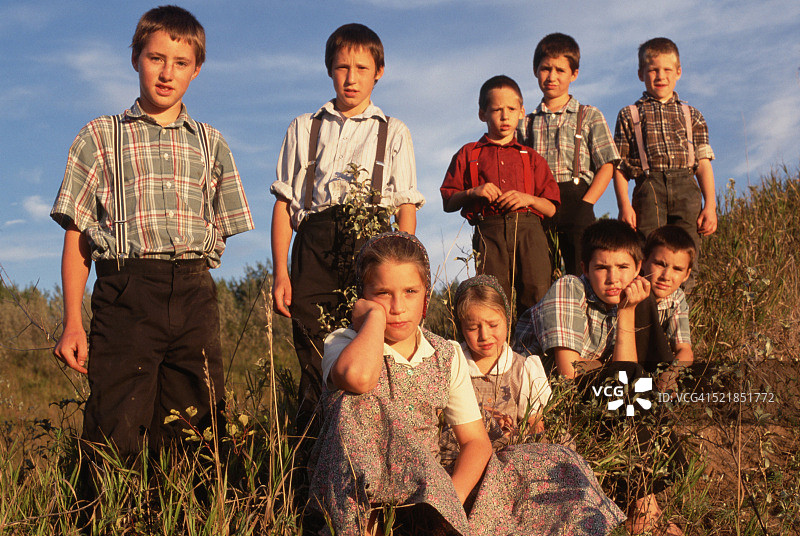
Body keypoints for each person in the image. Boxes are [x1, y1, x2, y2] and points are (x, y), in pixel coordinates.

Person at [310, 232, 625, 536]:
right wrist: (373, 320)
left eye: (409, 292)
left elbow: (476, 441)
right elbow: (359, 378)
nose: (397, 307)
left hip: (429, 488)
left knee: (554, 461)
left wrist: (447, 502)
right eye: (382, 294)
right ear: (363, 297)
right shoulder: (345, 343)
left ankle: (431, 524)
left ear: (425, 296)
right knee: (359, 399)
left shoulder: (445, 353)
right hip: (362, 492)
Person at [50, 6, 254, 458]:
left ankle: (191, 518)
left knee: (199, 424)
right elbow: (78, 234)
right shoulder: (100, 136)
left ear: (196, 70)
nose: (167, 73)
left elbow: (221, 226)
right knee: (115, 422)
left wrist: (191, 276)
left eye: (181, 63)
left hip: (193, 292)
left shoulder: (211, 142)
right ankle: (108, 519)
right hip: (126, 292)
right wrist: (71, 322)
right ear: (135, 59)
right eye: (156, 58)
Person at [271, 24, 424, 430]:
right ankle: (309, 457)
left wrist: (409, 270)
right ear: (329, 70)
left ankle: (367, 448)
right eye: (341, 67)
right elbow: (286, 204)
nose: (351, 78)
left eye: (361, 67)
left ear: (380, 71)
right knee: (313, 352)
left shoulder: (394, 131)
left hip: (372, 245)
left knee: (373, 347)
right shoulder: (304, 127)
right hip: (313, 245)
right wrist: (281, 272)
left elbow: (405, 205)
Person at [514, 219, 685, 535]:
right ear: (585, 267)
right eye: (602, 267)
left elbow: (625, 373)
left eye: (623, 267)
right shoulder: (569, 287)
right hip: (545, 396)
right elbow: (569, 374)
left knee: (636, 380)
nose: (613, 278)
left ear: (638, 268)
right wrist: (607, 371)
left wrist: (627, 312)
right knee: (631, 384)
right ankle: (646, 508)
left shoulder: (626, 299)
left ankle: (644, 506)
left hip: (597, 391)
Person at [440, 75, 560, 316]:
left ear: (521, 111)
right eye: (496, 109)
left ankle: (534, 352)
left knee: (538, 296)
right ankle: (497, 352)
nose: (505, 116)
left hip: (529, 230)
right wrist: (474, 192)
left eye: (511, 109)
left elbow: (551, 208)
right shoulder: (468, 153)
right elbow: (448, 201)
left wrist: (529, 199)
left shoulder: (532, 157)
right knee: (491, 298)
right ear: (482, 114)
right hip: (489, 232)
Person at [613, 37, 717, 293]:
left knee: (686, 251)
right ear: (641, 74)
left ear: (678, 72)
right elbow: (619, 167)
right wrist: (625, 205)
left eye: (667, 70)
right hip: (649, 187)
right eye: (653, 70)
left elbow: (702, 164)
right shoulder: (630, 115)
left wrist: (711, 205)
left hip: (686, 187)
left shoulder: (692, 115)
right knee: (649, 252)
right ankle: (649, 318)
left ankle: (680, 312)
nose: (660, 76)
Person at [518, 33, 620, 276]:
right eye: (545, 69)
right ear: (535, 70)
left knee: (581, 274)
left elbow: (607, 164)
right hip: (539, 204)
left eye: (560, 70)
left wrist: (588, 203)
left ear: (574, 74)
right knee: (538, 275)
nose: (552, 76)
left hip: (577, 200)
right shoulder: (524, 122)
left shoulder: (589, 115)